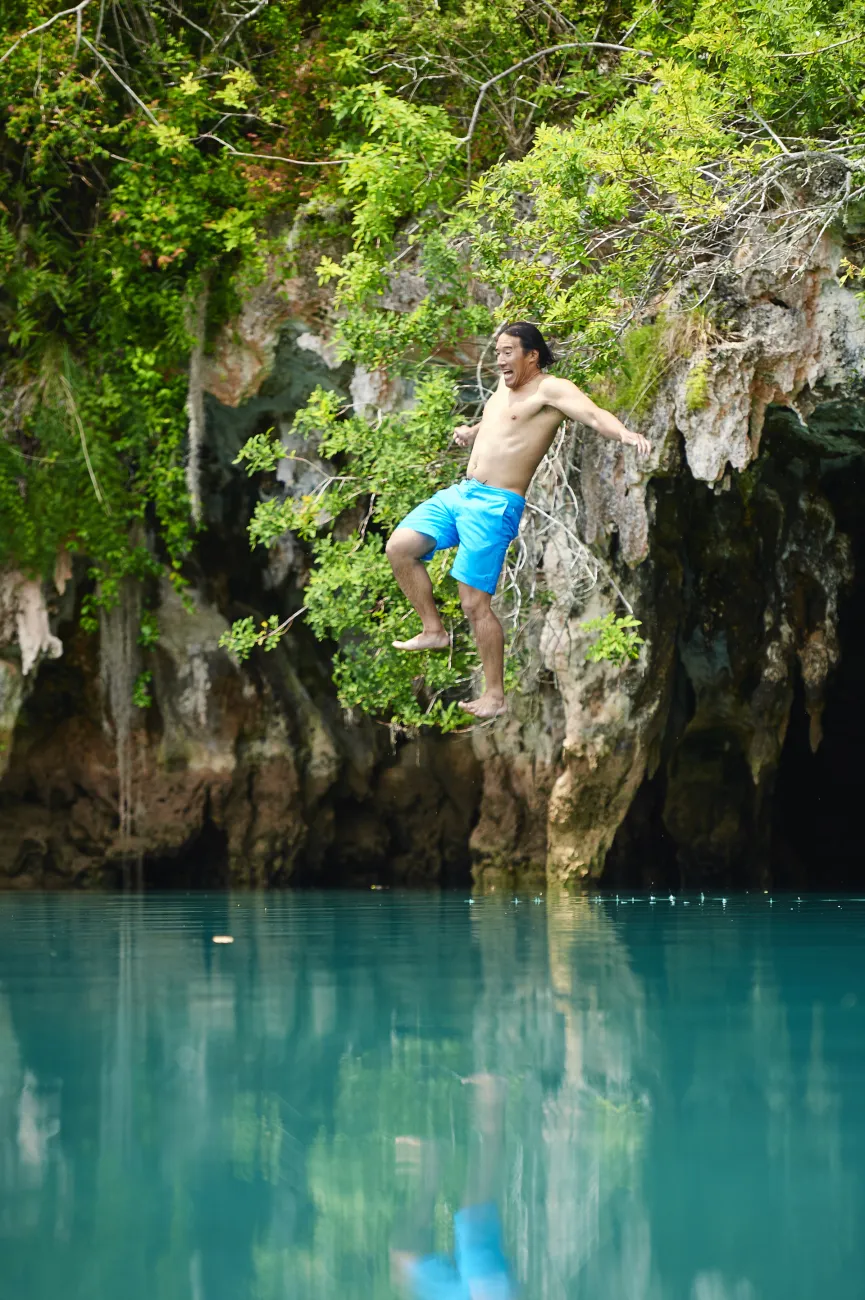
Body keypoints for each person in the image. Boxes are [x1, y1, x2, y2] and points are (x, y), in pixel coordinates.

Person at [385, 322, 652, 718]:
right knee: (400, 547)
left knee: (474, 605)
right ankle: (433, 631)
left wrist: (625, 434)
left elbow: (594, 416)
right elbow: (497, 424)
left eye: (508, 351)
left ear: (532, 355)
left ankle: (494, 694)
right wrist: (470, 431)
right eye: (497, 352)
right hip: (462, 493)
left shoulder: (550, 390)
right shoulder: (503, 389)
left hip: (495, 505)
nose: (500, 359)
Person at [392, 1074, 513, 1300]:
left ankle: (433, 1163)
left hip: (477, 1289)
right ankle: (494, 1097)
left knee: (402, 1259)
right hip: (482, 1290)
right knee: (478, 1193)